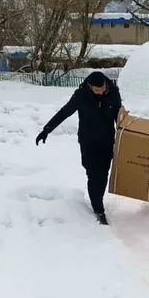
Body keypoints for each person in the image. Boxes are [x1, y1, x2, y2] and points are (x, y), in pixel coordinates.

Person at [35, 71, 122, 225]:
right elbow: (64, 112)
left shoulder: (113, 93)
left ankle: (98, 205)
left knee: (102, 175)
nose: (100, 92)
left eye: (102, 89)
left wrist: (126, 137)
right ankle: (98, 207)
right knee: (92, 174)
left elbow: (119, 117)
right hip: (88, 142)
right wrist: (46, 130)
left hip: (106, 141)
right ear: (90, 86)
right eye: (97, 90)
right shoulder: (81, 95)